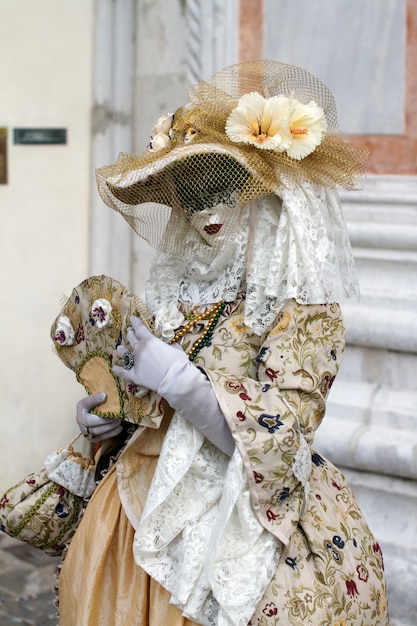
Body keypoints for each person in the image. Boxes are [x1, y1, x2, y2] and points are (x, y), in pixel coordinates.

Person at [56, 60, 389, 625]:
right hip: (138, 500)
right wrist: (115, 420)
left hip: (244, 523)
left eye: (221, 185)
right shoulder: (179, 292)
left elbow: (284, 436)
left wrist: (182, 382)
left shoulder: (302, 308)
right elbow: (151, 408)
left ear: (265, 191)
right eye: (188, 191)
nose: (203, 208)